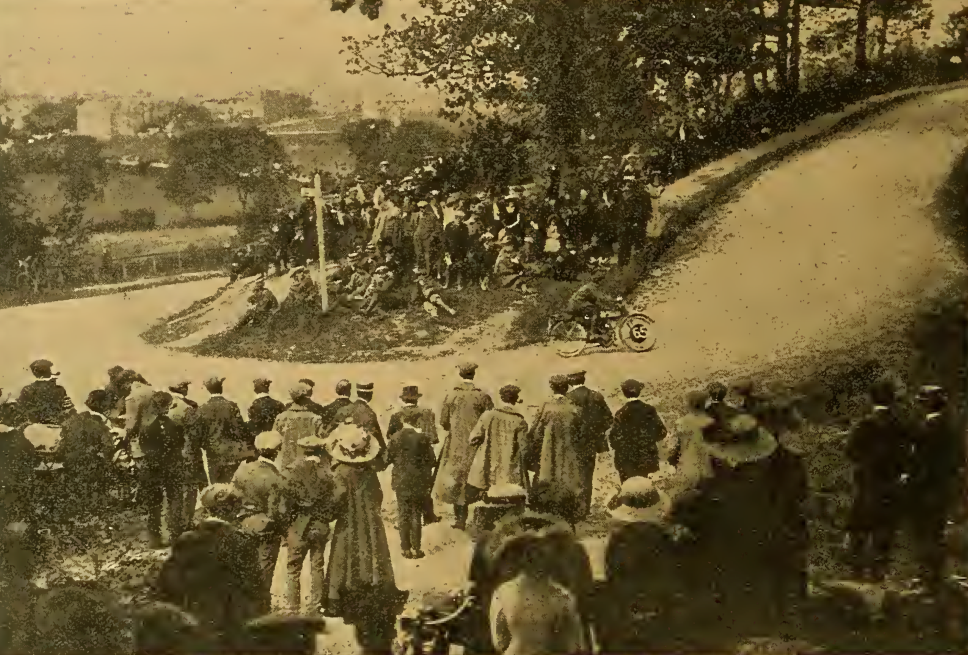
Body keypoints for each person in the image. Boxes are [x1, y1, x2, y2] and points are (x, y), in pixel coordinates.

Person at [668, 414, 797, 640]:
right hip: (767, 540)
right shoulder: (780, 470)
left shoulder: (721, 486)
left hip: (734, 547)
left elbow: (696, 511)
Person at [325, 419, 408, 655]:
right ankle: (373, 591)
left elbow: (336, 500)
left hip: (348, 523)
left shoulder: (340, 473)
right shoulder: (369, 472)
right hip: (371, 522)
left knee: (345, 557)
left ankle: (341, 599)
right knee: (372, 555)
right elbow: (378, 496)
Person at [153, 484, 264, 651]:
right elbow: (256, 588)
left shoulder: (187, 540)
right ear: (233, 510)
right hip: (232, 626)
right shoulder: (240, 542)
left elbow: (167, 583)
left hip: (193, 624)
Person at [597, 476, 685, 653]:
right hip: (661, 617)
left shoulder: (618, 541)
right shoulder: (664, 540)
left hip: (629, 616)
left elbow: (613, 579)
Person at [845, 379, 913, 581]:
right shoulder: (899, 426)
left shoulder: (864, 425)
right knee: (884, 529)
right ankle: (878, 573)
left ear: (871, 399)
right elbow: (908, 456)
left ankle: (857, 573)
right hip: (889, 484)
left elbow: (850, 453)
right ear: (892, 399)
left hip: (868, 483)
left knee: (859, 529)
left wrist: (865, 463)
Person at [280, 434, 341, 616]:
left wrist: (287, 524)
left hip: (297, 526)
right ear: (319, 451)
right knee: (317, 567)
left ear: (302, 450)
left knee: (293, 568)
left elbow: (284, 504)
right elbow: (335, 501)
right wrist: (326, 518)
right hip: (320, 526)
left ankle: (292, 608)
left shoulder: (290, 472)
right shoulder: (328, 474)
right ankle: (315, 607)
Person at [908, 384, 962, 589]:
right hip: (943, 487)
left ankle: (927, 577)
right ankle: (934, 575)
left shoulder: (930, 426)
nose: (919, 406)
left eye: (922, 402)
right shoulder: (950, 427)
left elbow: (920, 461)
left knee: (925, 531)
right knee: (936, 531)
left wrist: (913, 481)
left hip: (927, 488)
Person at [434, 363, 494, 530]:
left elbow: (443, 422)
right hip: (477, 445)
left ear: (460, 375)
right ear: (473, 375)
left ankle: (460, 520)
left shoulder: (452, 395)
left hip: (456, 445)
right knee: (479, 477)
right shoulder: (482, 396)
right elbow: (491, 419)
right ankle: (483, 518)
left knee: (457, 480)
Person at [231, 430, 286, 612]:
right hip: (266, 526)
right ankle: (261, 606)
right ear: (277, 451)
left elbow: (232, 496)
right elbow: (277, 510)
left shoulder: (242, 470)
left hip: (242, 523)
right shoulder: (276, 477)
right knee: (264, 569)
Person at [526, 375, 585, 526]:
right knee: (566, 476)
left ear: (552, 388)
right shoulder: (574, 407)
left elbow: (536, 430)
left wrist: (533, 446)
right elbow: (580, 432)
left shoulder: (546, 406)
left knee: (547, 475)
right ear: (566, 388)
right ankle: (566, 510)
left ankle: (547, 511)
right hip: (568, 449)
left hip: (548, 448)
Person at [387, 405, 437, 559]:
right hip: (419, 482)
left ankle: (405, 549)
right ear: (417, 422)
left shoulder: (395, 438)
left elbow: (386, 460)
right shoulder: (423, 439)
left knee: (403, 514)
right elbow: (432, 461)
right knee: (416, 514)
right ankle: (417, 549)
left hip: (401, 481)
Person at [466, 385, 530, 500]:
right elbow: (524, 447)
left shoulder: (488, 415)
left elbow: (473, 438)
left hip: (487, 462)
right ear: (516, 399)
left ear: (501, 397)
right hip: (508, 466)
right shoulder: (520, 421)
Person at [388, 385, 440, 525]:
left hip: (403, 458)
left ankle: (404, 519)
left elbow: (390, 437)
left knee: (403, 487)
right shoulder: (427, 413)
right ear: (417, 399)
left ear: (403, 400)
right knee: (424, 486)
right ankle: (428, 515)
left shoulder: (396, 416)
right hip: (423, 456)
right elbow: (434, 438)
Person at [139, 391, 185, 548]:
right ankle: (175, 535)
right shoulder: (175, 427)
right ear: (168, 406)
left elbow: (144, 448)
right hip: (172, 466)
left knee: (154, 503)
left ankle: (155, 538)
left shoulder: (147, 427)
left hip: (153, 468)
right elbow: (180, 445)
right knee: (175, 500)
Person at [566, 370, 614, 514]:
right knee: (587, 477)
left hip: (572, 444)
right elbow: (608, 419)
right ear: (583, 380)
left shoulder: (567, 398)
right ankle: (584, 508)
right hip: (591, 444)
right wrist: (596, 432)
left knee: (571, 476)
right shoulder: (596, 396)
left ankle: (573, 508)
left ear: (570, 382)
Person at [56, 390, 117, 503]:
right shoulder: (100, 421)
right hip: (91, 462)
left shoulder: (73, 420)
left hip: (72, 461)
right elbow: (108, 445)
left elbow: (63, 443)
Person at [190, 376, 253, 484]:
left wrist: (205, 446)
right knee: (232, 485)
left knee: (217, 487)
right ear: (221, 388)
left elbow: (198, 434)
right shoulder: (232, 406)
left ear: (208, 389)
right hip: (233, 452)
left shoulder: (203, 409)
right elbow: (241, 428)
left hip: (213, 453)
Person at [608, 379, 668, 482]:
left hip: (626, 461)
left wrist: (625, 449)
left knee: (629, 488)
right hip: (648, 458)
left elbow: (613, 440)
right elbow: (662, 432)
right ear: (639, 391)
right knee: (647, 488)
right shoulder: (649, 410)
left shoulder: (621, 413)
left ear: (624, 393)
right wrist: (648, 442)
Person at [274, 382, 327, 472]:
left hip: (285, 464)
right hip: (307, 466)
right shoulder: (315, 419)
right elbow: (322, 442)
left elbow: (274, 440)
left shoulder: (280, 418)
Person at [326, 382, 386, 452]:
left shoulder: (347, 408)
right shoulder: (369, 413)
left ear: (358, 393)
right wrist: (383, 447)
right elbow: (378, 437)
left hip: (341, 448)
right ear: (369, 395)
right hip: (358, 451)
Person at [17, 359, 75, 425]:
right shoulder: (60, 390)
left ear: (35, 372)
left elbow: (20, 411)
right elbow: (69, 410)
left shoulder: (27, 390)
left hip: (33, 426)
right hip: (56, 426)